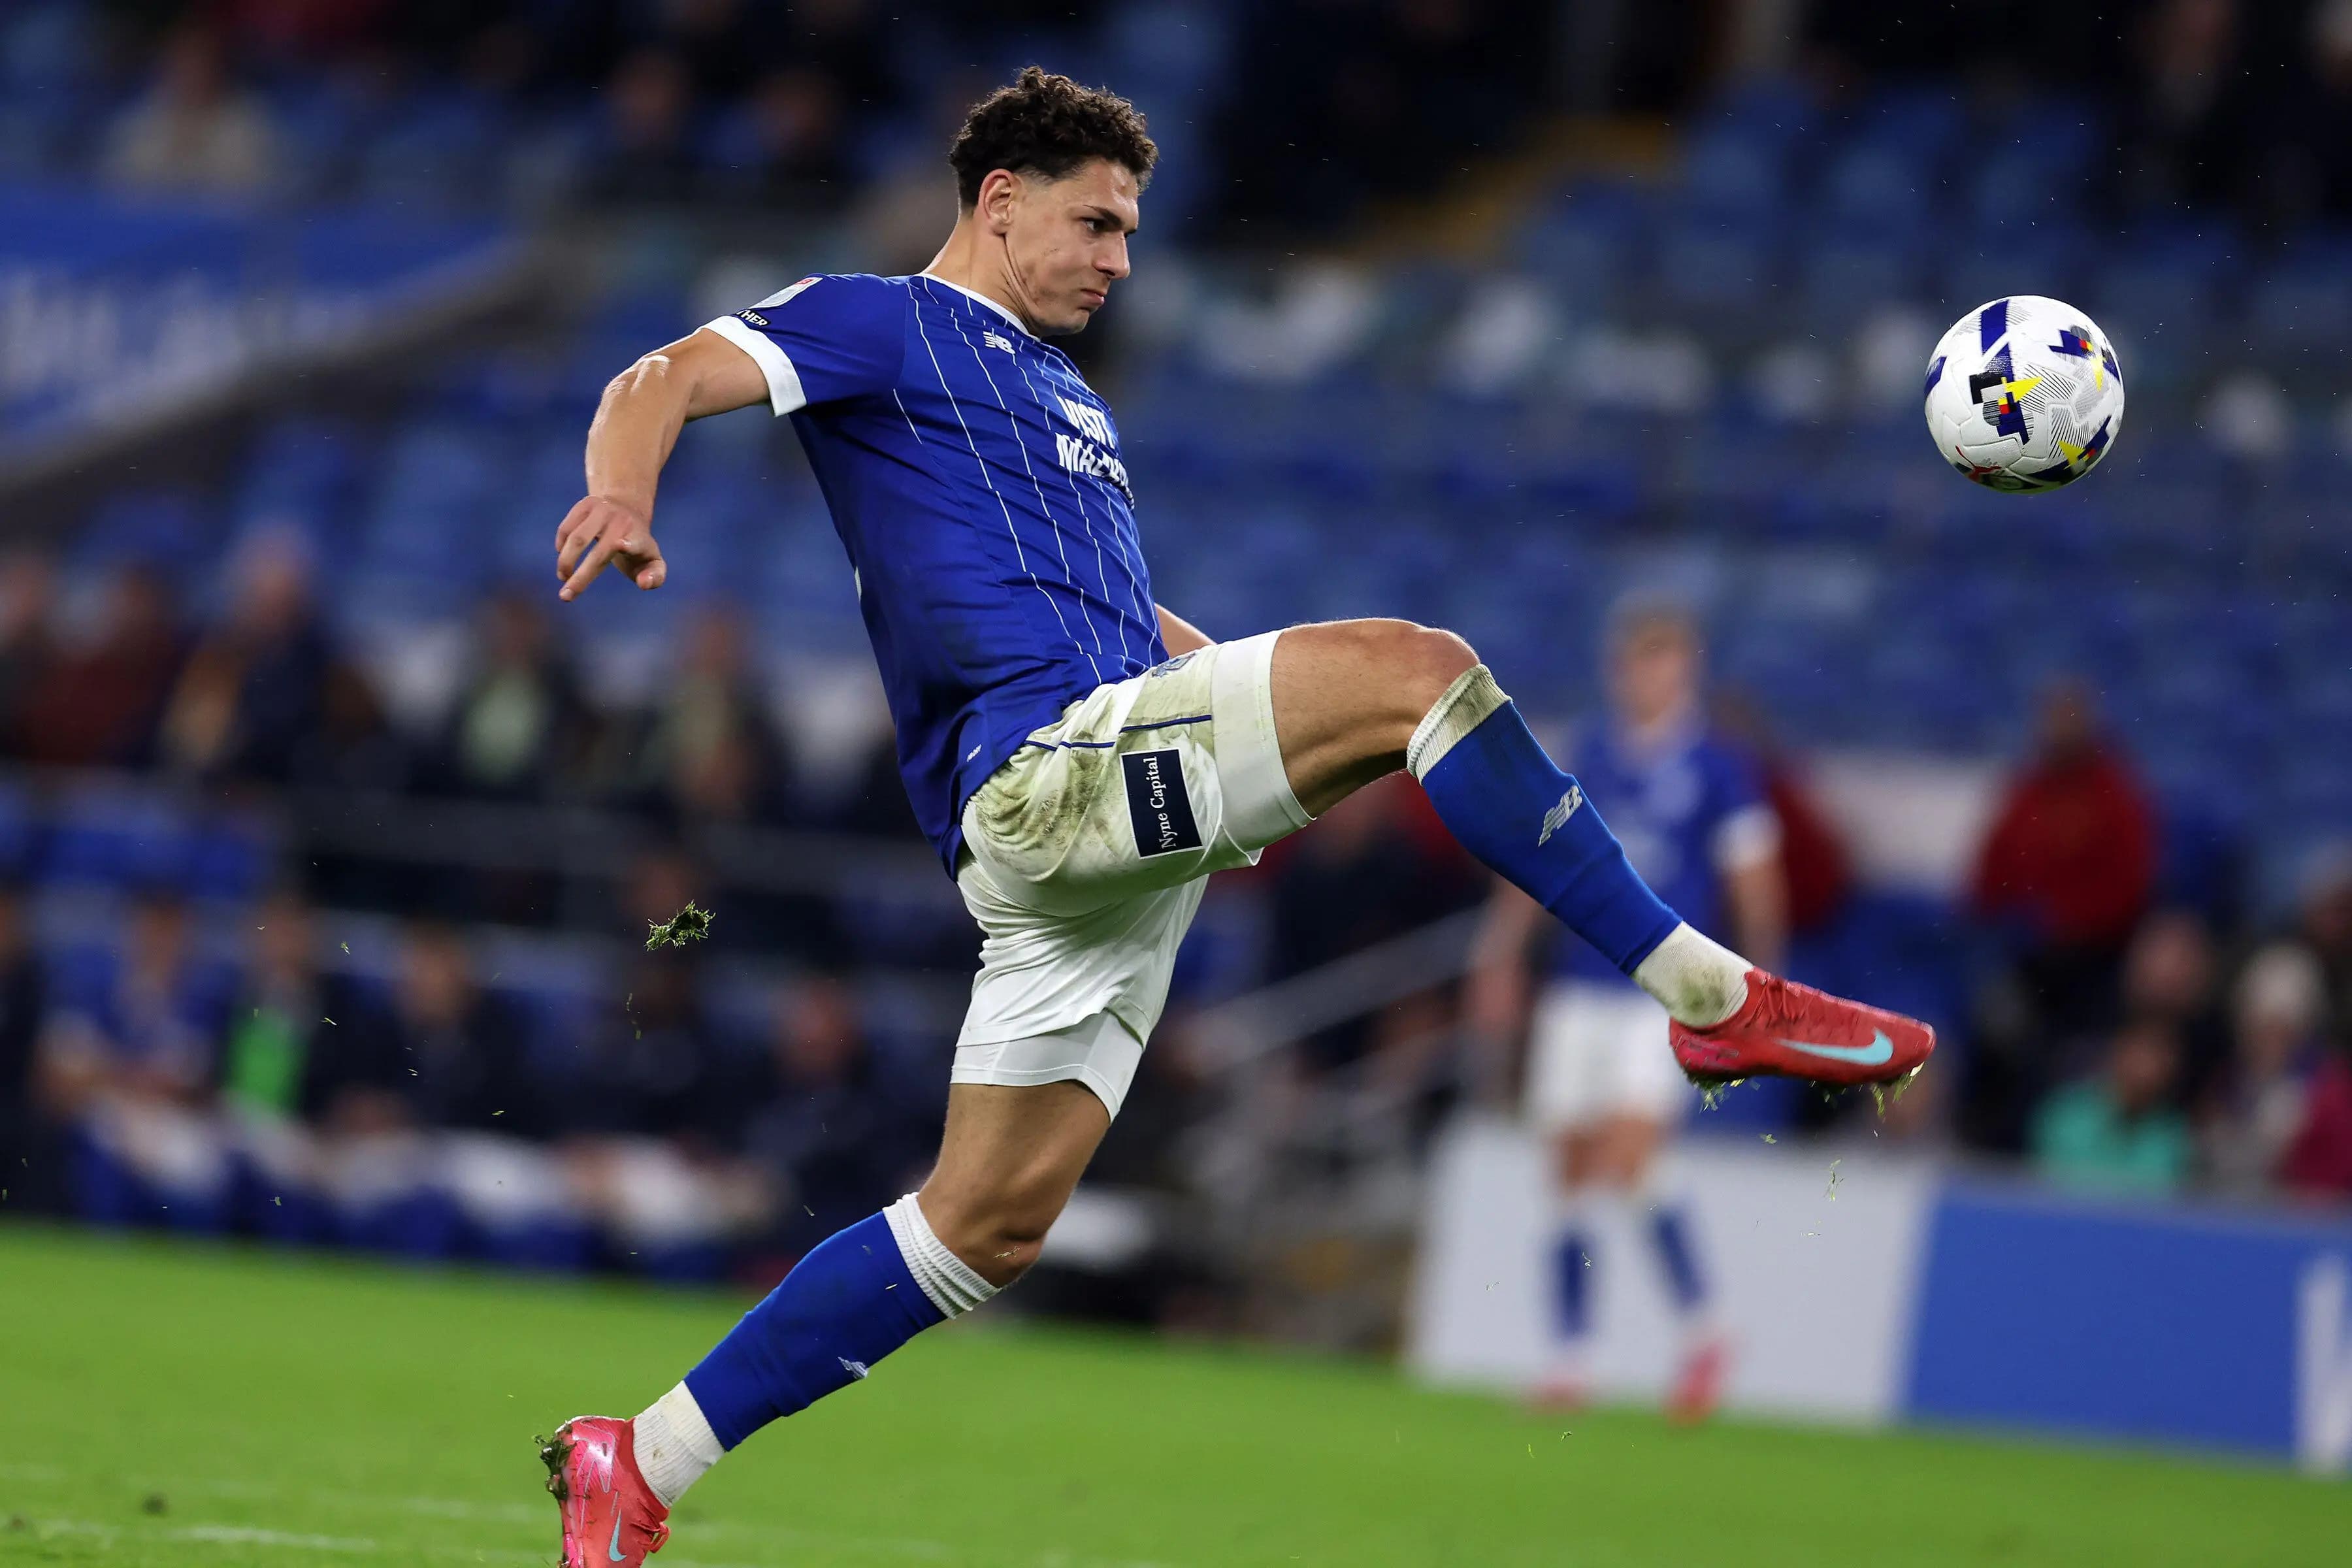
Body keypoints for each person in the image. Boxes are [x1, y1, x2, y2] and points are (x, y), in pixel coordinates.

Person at [534, 68, 1933, 1566]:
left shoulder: (1069, 397)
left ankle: (644, 1452)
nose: (1120, 258)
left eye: (1130, 230)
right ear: (998, 202)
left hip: (1090, 847)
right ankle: (1707, 995)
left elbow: (1118, 613)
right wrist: (625, 493)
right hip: (1046, 777)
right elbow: (661, 375)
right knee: (1426, 671)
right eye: (1096, 221)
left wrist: (1273, 723)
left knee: (980, 1223)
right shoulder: (881, 319)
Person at [1466, 599, 1786, 1421]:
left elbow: (1755, 882)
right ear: (1621, 668)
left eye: (1666, 661)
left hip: (1665, 992)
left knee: (1629, 1155)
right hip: (1580, 985)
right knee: (1569, 1171)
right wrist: (1501, 955)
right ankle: (1572, 1359)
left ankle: (1704, 1329)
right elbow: (1541, 860)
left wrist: (1762, 986)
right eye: (1640, 661)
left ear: (1689, 670)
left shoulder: (1720, 770)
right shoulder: (1592, 757)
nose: (1650, 676)